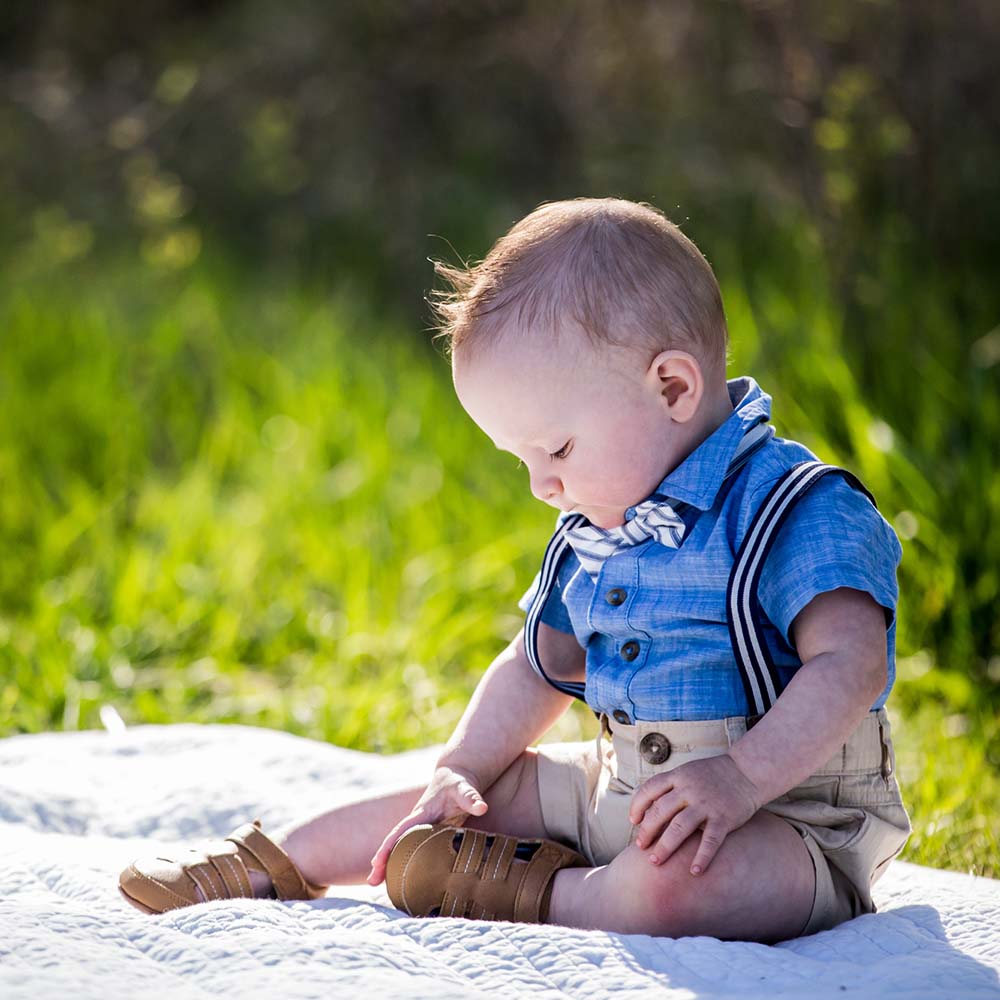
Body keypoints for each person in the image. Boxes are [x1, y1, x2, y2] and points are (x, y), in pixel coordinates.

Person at [119, 198, 910, 942]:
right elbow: (534, 670)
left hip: (788, 816)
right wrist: (462, 770)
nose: (542, 486)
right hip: (621, 786)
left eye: (556, 449)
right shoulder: (595, 524)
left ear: (672, 386)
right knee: (459, 802)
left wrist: (738, 781)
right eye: (521, 460)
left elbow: (849, 666)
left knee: (676, 889)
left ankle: (544, 895)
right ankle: (274, 862)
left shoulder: (798, 509)